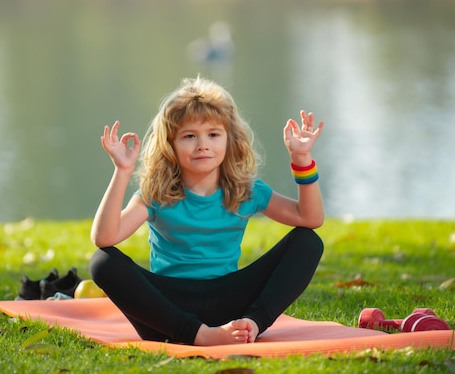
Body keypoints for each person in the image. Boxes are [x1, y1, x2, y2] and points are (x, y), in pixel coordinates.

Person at [89, 77, 324, 346]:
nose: (203, 145)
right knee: (102, 262)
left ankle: (253, 325)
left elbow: (310, 219)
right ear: (171, 144)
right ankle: (199, 335)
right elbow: (104, 238)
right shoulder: (156, 193)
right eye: (189, 136)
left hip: (232, 304)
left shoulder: (246, 190)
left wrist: (302, 161)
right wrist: (122, 171)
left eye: (213, 134)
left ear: (229, 139)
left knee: (307, 242)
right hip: (168, 313)